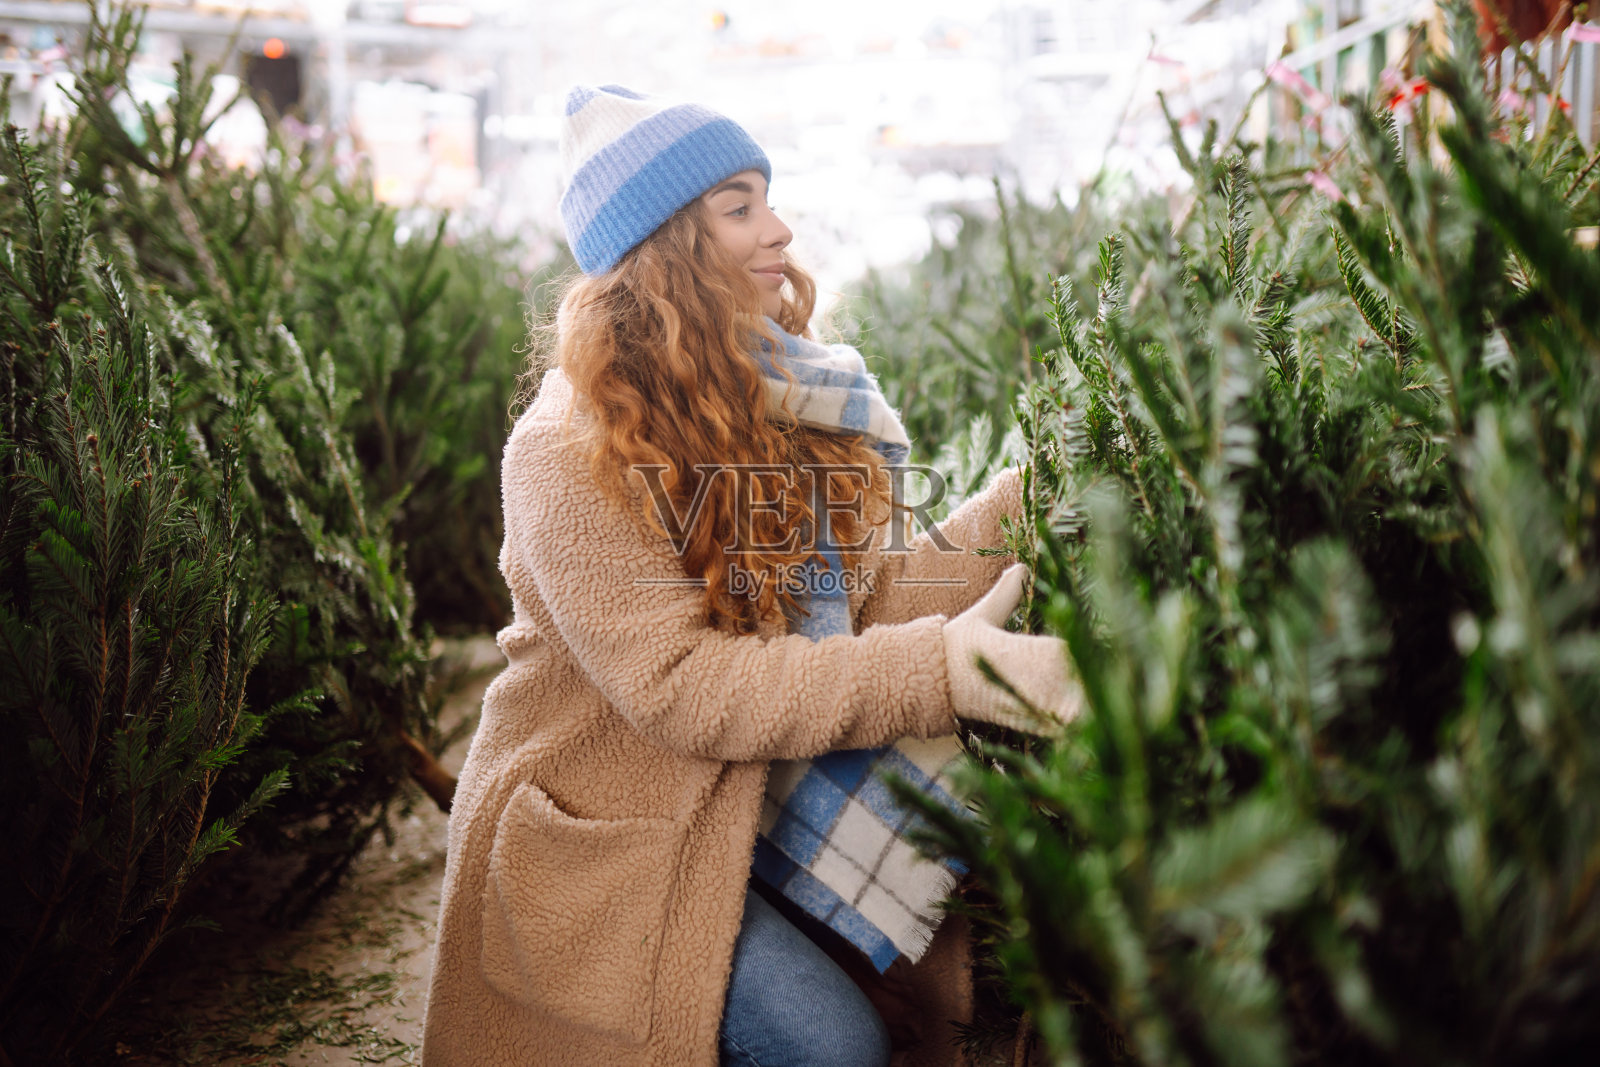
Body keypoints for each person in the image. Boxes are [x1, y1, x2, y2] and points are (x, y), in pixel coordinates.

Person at [421, 85, 1079, 1067]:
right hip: (627, 835)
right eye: (739, 208)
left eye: (767, 200)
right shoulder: (562, 449)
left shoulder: (783, 395)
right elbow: (687, 689)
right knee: (834, 1042)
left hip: (746, 801)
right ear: (665, 250)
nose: (778, 230)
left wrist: (1040, 490)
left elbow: (865, 607)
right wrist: (947, 671)